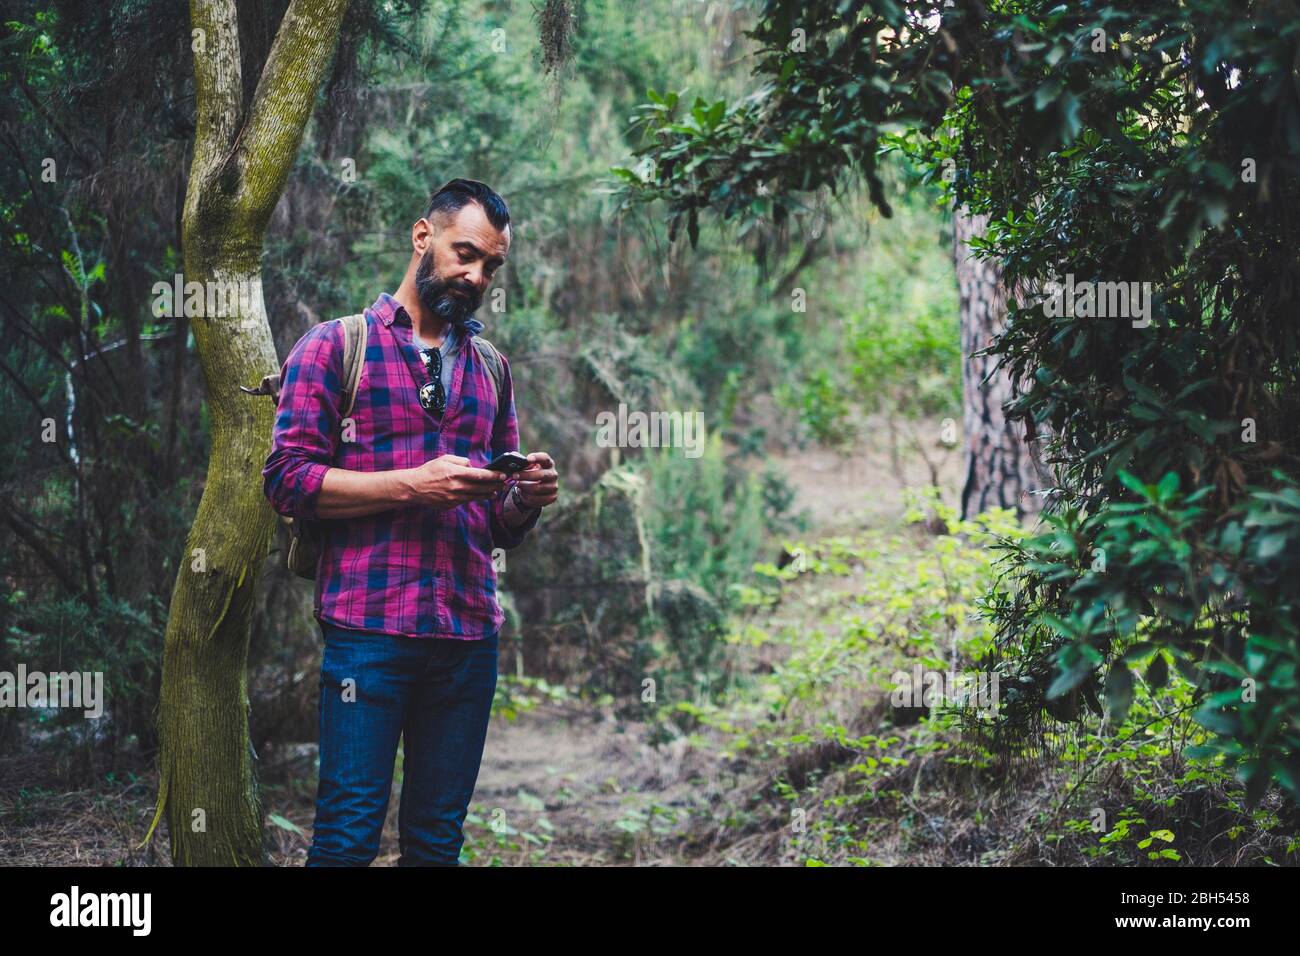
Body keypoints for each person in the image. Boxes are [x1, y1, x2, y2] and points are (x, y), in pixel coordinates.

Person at [262, 178, 559, 866]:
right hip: (367, 635)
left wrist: (525, 498)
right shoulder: (336, 346)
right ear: (423, 236)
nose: (476, 274)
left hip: (467, 639)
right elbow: (286, 481)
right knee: (346, 837)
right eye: (465, 253)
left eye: (491, 265)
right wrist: (413, 486)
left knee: (436, 842)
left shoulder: (491, 369)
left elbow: (493, 521)